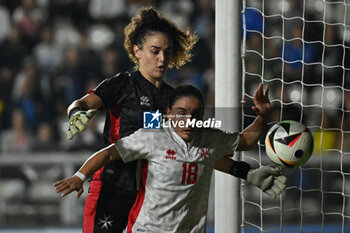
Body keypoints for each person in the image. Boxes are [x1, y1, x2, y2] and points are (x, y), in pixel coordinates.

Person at [55, 84, 287, 233]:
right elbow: (108, 152)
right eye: (181, 114)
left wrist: (263, 116)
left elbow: (245, 141)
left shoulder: (210, 138)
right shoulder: (153, 137)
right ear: (168, 113)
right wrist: (79, 175)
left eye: (196, 115)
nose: (188, 121)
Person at [65, 6, 197, 233]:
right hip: (112, 187)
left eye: (167, 51)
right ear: (137, 51)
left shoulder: (171, 99)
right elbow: (81, 104)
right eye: (155, 51)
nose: (162, 58)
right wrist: (77, 114)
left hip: (151, 195)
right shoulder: (123, 85)